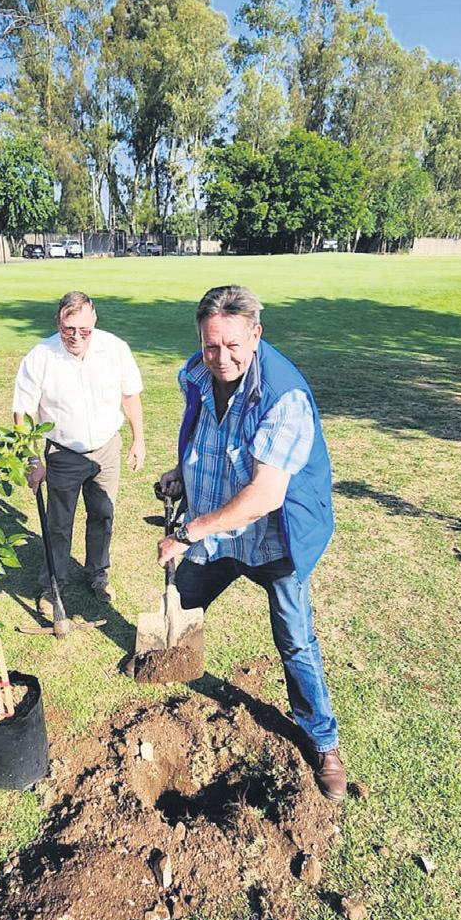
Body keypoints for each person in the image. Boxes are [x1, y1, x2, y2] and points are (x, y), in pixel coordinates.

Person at [157, 284, 346, 802]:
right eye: (211, 345)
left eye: (233, 346)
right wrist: (181, 472)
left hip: (272, 538)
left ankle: (323, 740)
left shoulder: (283, 395)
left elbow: (263, 495)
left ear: (256, 334)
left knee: (295, 640)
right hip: (219, 532)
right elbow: (205, 435)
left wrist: (188, 530)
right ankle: (171, 661)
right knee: (183, 596)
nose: (221, 358)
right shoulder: (197, 372)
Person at [13, 291, 145, 615]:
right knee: (59, 524)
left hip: (107, 450)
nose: (75, 336)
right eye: (68, 329)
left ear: (94, 319)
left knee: (103, 515)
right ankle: (53, 584)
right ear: (58, 322)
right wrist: (33, 459)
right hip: (63, 455)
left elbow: (130, 396)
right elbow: (22, 413)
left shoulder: (115, 349)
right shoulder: (40, 356)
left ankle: (97, 575)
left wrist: (138, 439)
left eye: (83, 329)